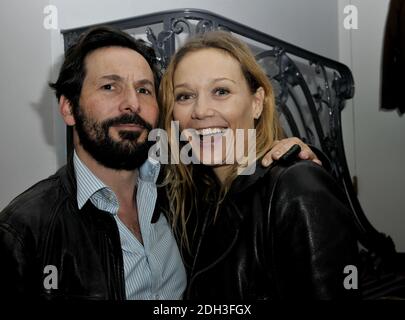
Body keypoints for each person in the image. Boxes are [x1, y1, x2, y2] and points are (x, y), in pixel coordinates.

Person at [0, 26, 319, 300]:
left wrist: (296, 159)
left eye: (144, 89)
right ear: (68, 108)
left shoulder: (184, 190)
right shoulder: (25, 230)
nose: (132, 103)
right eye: (109, 86)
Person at [159, 31, 360, 300]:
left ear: (256, 103)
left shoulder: (296, 187)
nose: (201, 110)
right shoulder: (197, 202)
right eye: (185, 96)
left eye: (221, 91)